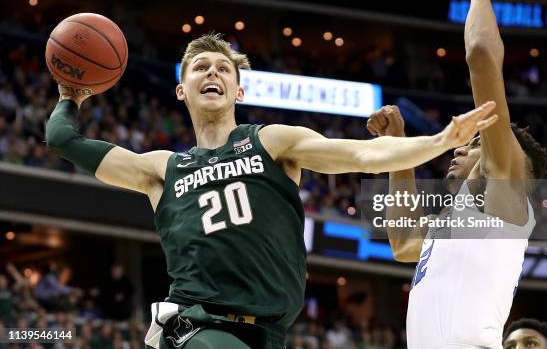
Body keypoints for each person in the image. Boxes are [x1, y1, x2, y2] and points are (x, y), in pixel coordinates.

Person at [45, 33, 497, 349]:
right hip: (196, 327)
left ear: (238, 88)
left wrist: (440, 141)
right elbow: (64, 140)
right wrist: (71, 95)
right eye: (200, 67)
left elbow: (360, 157)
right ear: (181, 89)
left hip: (268, 334)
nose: (212, 72)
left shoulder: (272, 142)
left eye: (223, 68)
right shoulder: (164, 168)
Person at [367, 0, 547, 349]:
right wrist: (398, 149)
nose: (458, 148)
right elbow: (402, 243)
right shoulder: (464, 226)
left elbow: (481, 55)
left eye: (475, 144)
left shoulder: (506, 192)